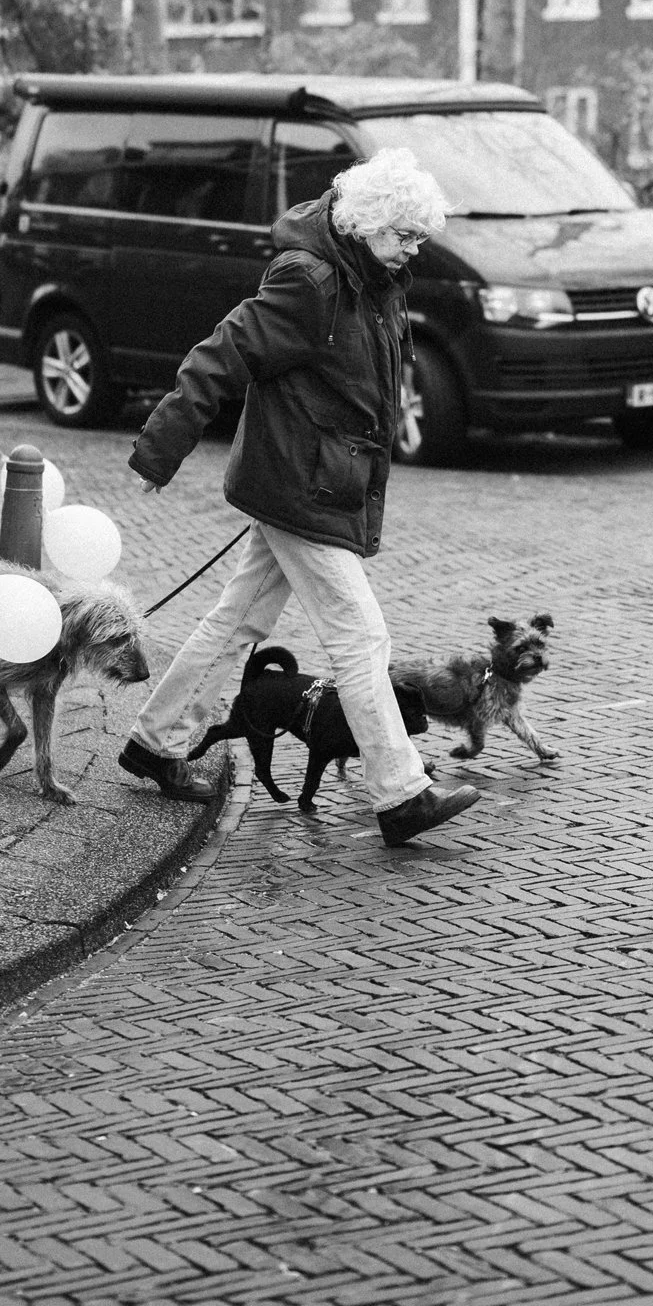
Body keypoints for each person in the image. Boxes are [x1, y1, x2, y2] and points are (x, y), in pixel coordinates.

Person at [118, 144, 480, 849]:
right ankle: (400, 794)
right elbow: (222, 352)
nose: (411, 250)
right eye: (401, 235)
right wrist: (162, 444)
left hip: (317, 476)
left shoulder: (372, 276)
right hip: (298, 483)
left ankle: (154, 744)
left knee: (237, 621)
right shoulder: (311, 280)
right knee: (360, 632)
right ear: (364, 222)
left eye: (417, 238)